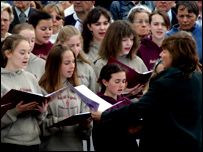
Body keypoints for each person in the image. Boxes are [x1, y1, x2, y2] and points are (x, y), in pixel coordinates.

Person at [90, 31, 202, 152]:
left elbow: (138, 109)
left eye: (164, 51)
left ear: (175, 55)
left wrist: (104, 115)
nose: (160, 55)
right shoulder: (198, 77)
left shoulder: (164, 84)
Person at [38, 44, 92, 151]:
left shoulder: (79, 89)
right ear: (55, 65)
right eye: (67, 63)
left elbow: (86, 135)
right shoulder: (42, 89)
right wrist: (62, 121)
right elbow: (39, 127)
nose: (72, 66)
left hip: (76, 147)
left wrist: (86, 126)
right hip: (51, 147)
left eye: (73, 62)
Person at [1, 34, 49, 151]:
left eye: (28, 52)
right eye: (22, 53)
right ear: (8, 54)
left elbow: (38, 119)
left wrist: (41, 111)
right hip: (9, 142)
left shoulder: (31, 78)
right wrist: (15, 111)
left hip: (33, 141)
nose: (27, 57)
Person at [93, 20, 148, 102]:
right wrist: (123, 94)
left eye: (131, 39)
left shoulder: (137, 60)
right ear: (113, 40)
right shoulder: (101, 63)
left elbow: (148, 87)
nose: (129, 44)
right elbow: (98, 95)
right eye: (124, 40)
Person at [92, 63, 141, 151]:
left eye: (123, 81)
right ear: (105, 82)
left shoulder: (125, 101)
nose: (121, 85)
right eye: (117, 81)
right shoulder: (98, 103)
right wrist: (126, 132)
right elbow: (101, 134)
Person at [55, 25, 98, 93]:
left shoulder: (87, 69)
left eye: (78, 45)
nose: (75, 49)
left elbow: (94, 93)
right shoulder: (51, 65)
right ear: (60, 45)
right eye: (71, 46)